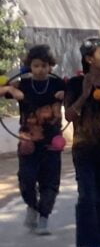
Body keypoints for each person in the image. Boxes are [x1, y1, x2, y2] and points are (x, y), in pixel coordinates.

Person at [1, 44, 65, 235]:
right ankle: (32, 206)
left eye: (44, 66)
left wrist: (66, 94)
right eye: (36, 66)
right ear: (30, 66)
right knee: (26, 179)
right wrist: (12, 92)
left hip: (52, 141)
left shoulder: (58, 84)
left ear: (50, 66)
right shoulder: (24, 84)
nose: (40, 69)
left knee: (50, 182)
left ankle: (44, 217)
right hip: (28, 141)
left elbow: (77, 98)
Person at [64, 38, 100, 247]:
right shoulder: (76, 83)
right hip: (84, 149)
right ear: (89, 59)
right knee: (86, 197)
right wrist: (85, 94)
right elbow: (69, 116)